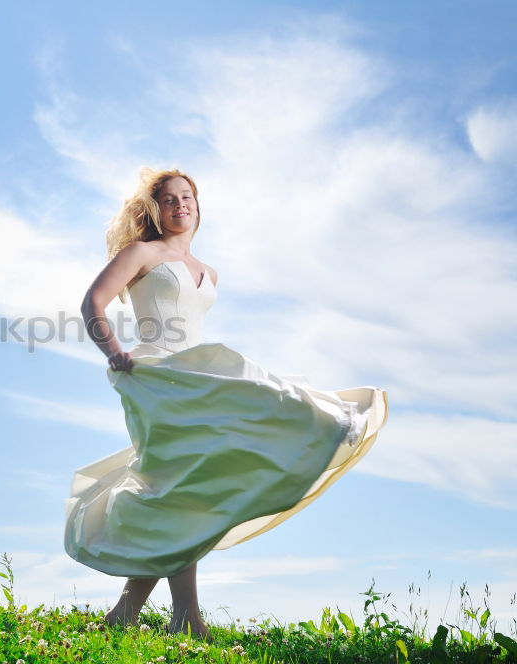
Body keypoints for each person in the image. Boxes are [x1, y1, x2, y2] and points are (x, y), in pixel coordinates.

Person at [65, 168, 388, 639]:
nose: (181, 206)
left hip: (200, 376)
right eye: (171, 199)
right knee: (180, 488)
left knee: (191, 490)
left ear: (198, 204)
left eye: (188, 197)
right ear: (155, 210)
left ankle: (128, 614)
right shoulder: (142, 253)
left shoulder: (209, 272)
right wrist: (115, 354)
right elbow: (92, 301)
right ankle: (187, 618)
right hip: (156, 379)